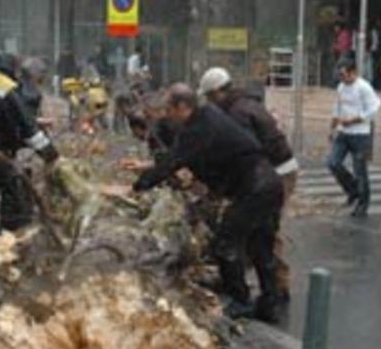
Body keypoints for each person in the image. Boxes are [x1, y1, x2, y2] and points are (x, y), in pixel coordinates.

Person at [113, 83, 284, 322]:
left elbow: (174, 160)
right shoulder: (205, 117)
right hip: (267, 183)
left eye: (169, 110)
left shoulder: (199, 126)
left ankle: (240, 300)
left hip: (256, 188)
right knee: (259, 246)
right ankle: (270, 302)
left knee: (225, 242)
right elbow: (180, 156)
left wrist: (136, 187)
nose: (167, 116)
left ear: (182, 107)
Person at [198, 67, 299, 302]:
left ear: (218, 93)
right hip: (275, 170)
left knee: (265, 230)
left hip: (275, 173)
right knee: (259, 229)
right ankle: (268, 285)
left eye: (210, 98)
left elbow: (245, 153)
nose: (211, 103)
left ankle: (277, 286)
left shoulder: (237, 113)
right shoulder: (245, 103)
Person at [0, 52, 60, 250]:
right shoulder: (5, 88)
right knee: (15, 189)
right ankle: (10, 243)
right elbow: (29, 131)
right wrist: (52, 156)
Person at [326, 61, 381, 218]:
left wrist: (355, 120)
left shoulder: (363, 87)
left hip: (360, 134)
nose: (342, 78)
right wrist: (332, 128)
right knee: (333, 162)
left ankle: (363, 204)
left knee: (360, 171)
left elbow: (374, 109)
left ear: (353, 73)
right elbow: (336, 108)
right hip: (343, 132)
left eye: (344, 75)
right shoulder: (341, 87)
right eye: (340, 75)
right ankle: (352, 189)